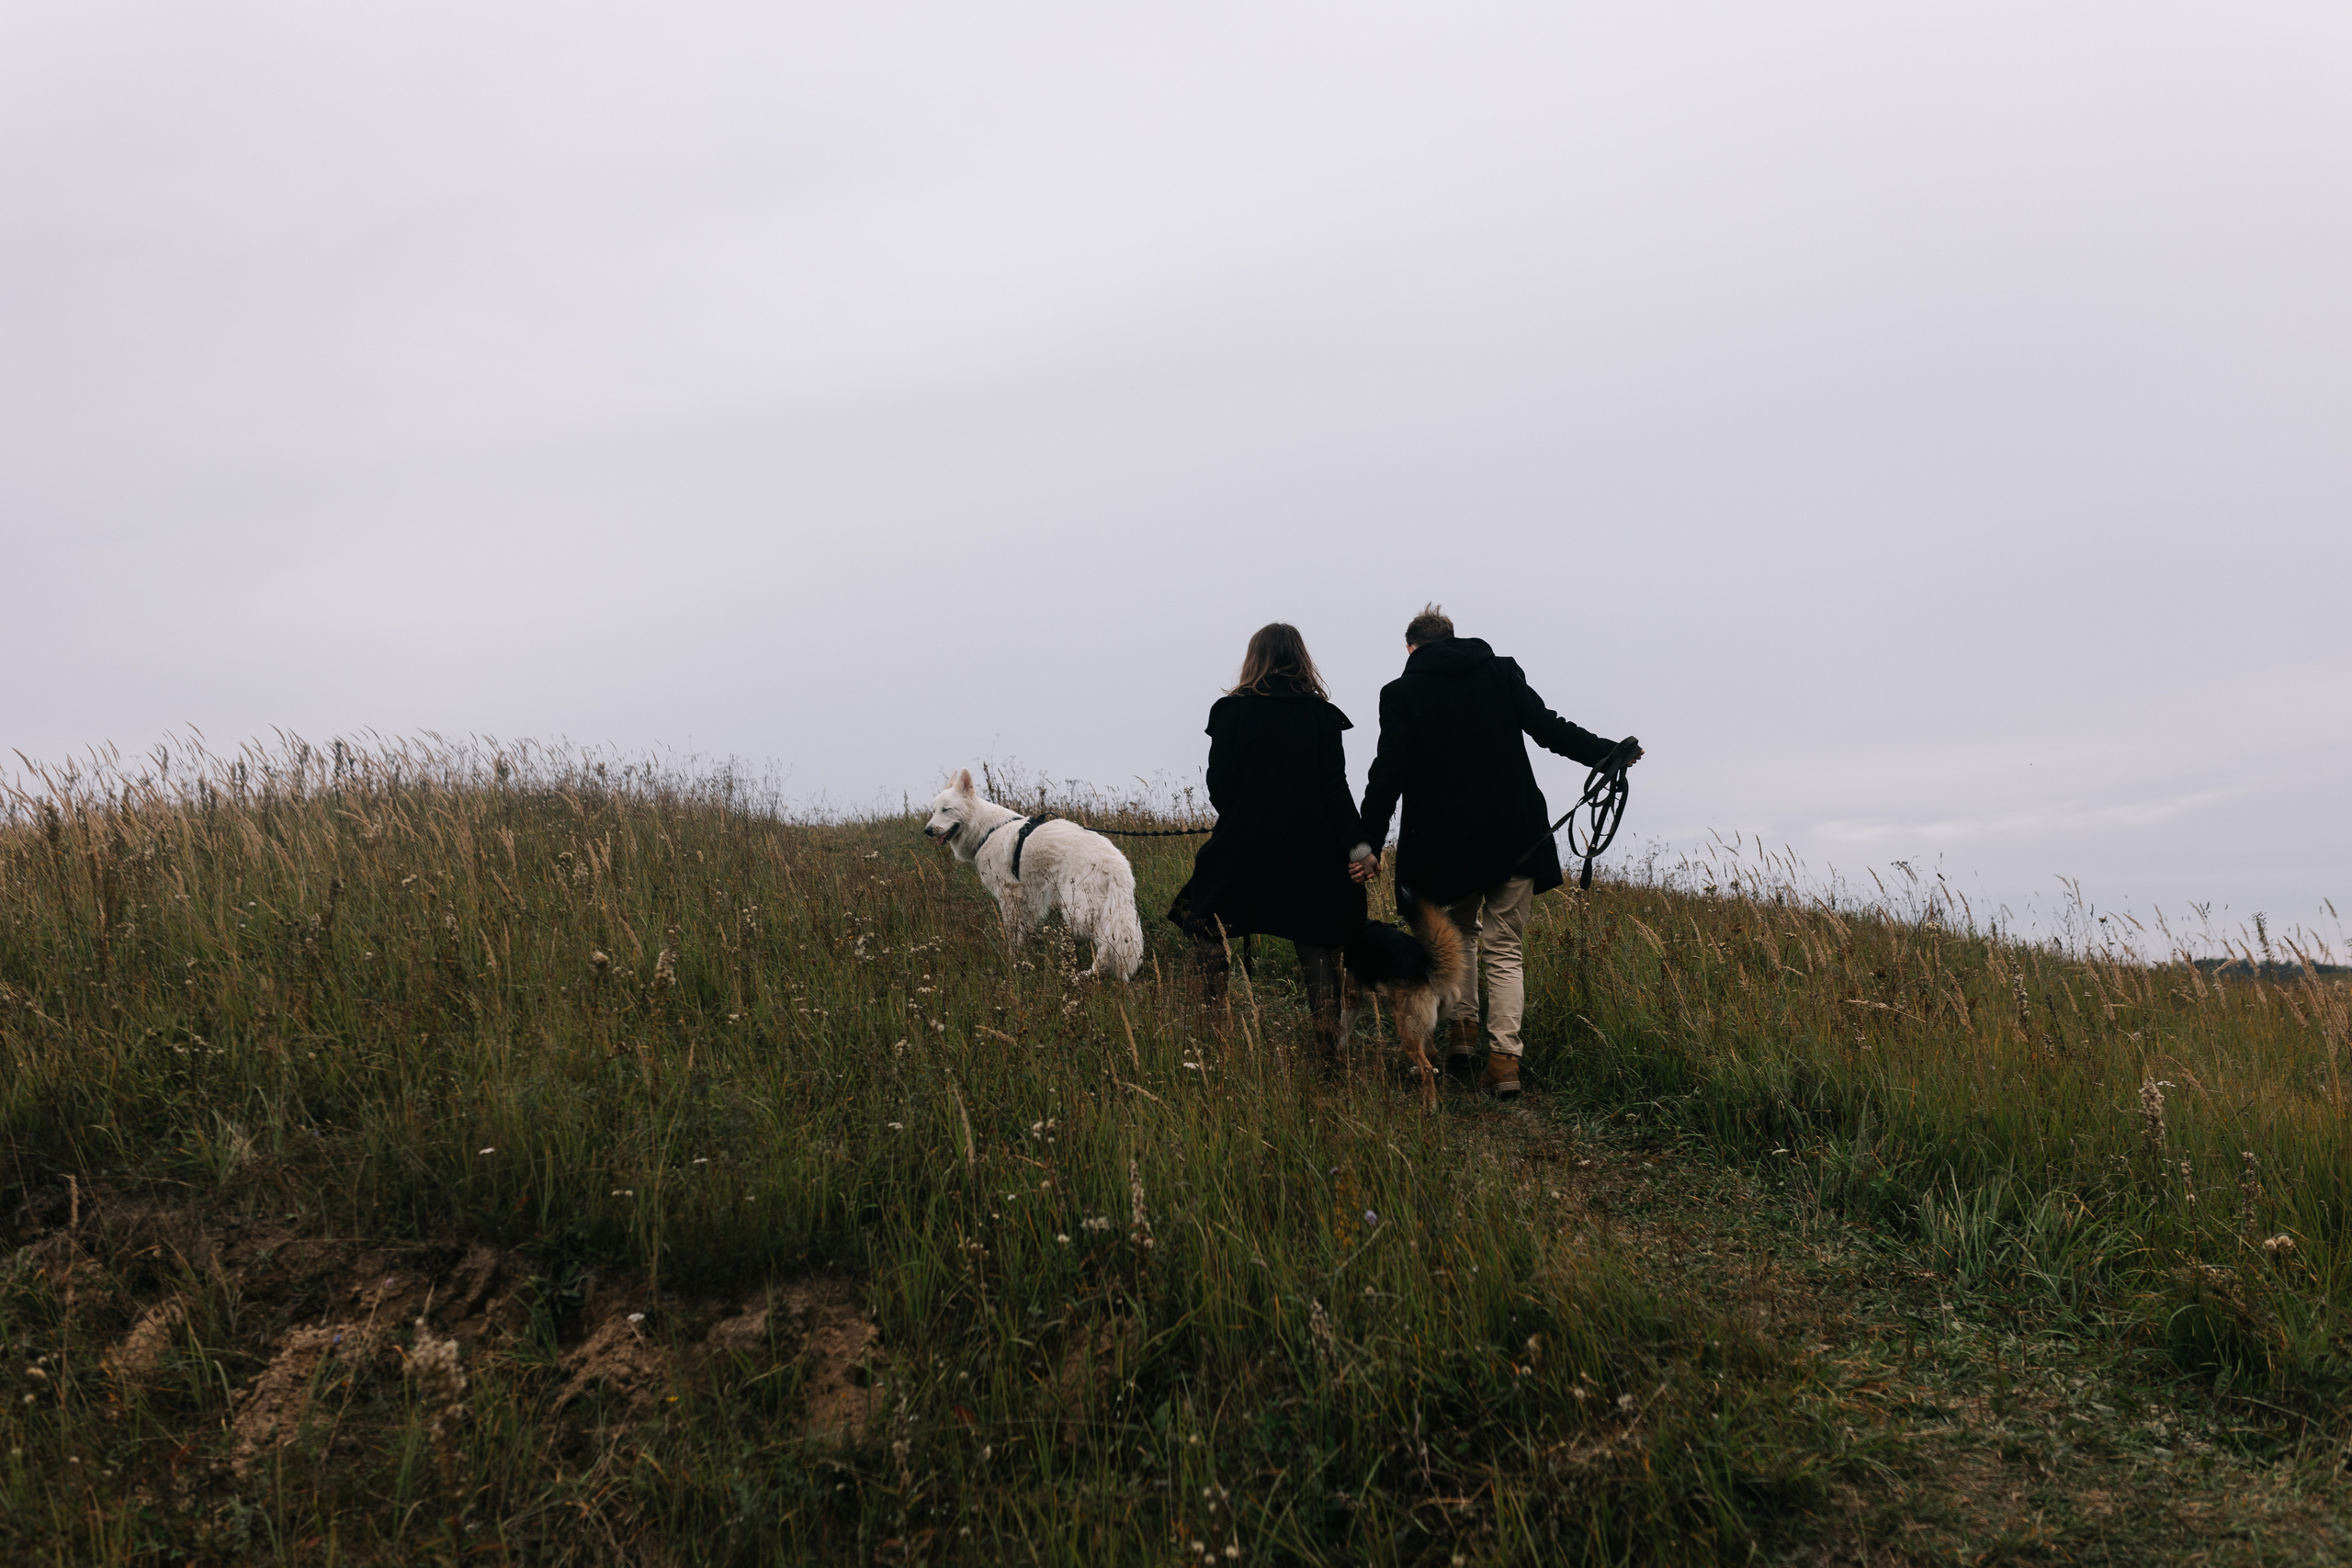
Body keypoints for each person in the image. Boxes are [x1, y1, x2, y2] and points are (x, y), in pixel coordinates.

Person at [1352, 604, 1640, 1099]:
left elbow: (1388, 774)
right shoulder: (1500, 671)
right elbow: (1548, 729)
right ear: (1454, 638)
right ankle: (1504, 1063)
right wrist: (1608, 753)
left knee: (1459, 936)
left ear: (1410, 648)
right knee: (1505, 946)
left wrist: (1367, 845)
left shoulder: (1400, 692)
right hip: (1515, 835)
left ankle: (1463, 1040)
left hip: (1446, 845)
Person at [1169, 623, 1367, 1051]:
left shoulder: (1230, 711)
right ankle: (1329, 1050)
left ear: (1254, 657)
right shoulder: (1322, 716)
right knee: (1314, 942)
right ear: (1301, 658)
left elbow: (1219, 785)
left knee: (1206, 923)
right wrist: (1360, 846)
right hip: (1312, 849)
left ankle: (1212, 1034)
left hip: (1244, 844)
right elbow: (1336, 788)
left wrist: (1246, 816)